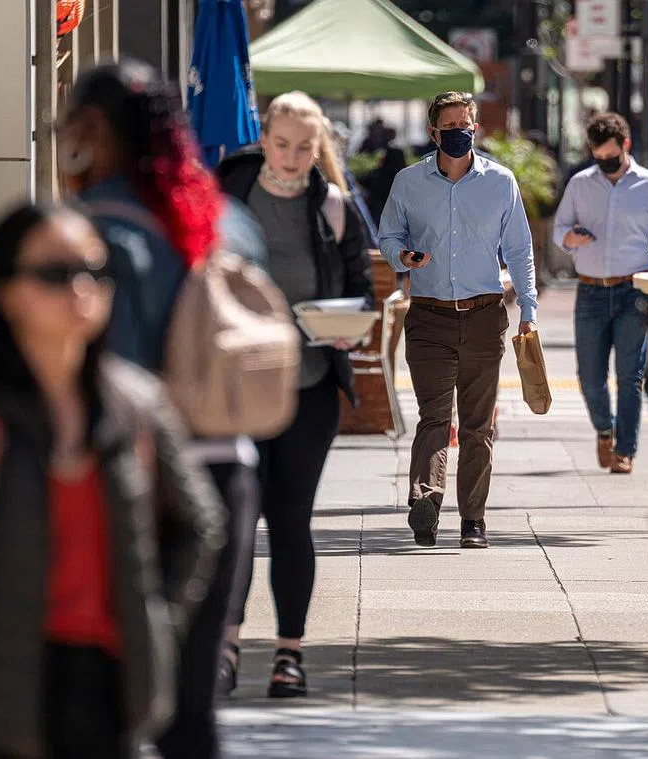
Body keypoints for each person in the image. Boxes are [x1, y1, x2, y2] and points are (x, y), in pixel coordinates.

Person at [0, 204, 223, 759]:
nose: (79, 290)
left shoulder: (138, 405)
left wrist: (156, 620)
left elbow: (201, 523)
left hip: (112, 686)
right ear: (5, 292)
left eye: (95, 272)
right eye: (53, 274)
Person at [54, 59, 264, 758]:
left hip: (133, 481)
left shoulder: (93, 233)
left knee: (103, 697)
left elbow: (103, 377)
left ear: (91, 129)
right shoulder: (225, 220)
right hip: (229, 470)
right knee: (191, 709)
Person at [216, 90, 374, 698]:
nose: (290, 157)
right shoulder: (229, 194)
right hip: (235, 387)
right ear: (264, 137)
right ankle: (225, 645)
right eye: (281, 144)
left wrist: (343, 326)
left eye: (304, 147)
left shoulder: (332, 206)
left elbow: (361, 285)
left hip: (308, 387)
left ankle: (289, 654)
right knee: (234, 522)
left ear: (319, 147)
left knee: (290, 522)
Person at [378, 90, 538, 550]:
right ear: (433, 134)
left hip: (486, 315)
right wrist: (402, 257)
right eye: (449, 129)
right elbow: (389, 233)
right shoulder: (409, 183)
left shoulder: (500, 182)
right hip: (429, 317)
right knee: (434, 417)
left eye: (465, 126)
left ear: (475, 128)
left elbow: (520, 251)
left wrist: (529, 310)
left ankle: (473, 520)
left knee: (477, 425)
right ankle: (425, 504)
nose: (459, 135)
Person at [553, 112, 648, 474]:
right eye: (598, 156)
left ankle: (625, 449)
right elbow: (559, 227)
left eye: (610, 155)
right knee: (590, 377)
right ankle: (604, 429)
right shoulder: (580, 184)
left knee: (631, 375)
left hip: (633, 290)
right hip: (590, 291)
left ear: (625, 145)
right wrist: (569, 238)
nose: (605, 163)